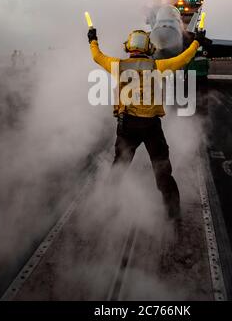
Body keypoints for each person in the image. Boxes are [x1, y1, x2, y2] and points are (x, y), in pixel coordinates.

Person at [88, 27, 208, 220]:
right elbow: (184, 58)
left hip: (127, 127)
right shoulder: (157, 66)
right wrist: (197, 42)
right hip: (151, 127)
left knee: (118, 168)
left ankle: (107, 209)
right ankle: (173, 216)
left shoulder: (118, 65)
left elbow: (97, 56)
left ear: (129, 46)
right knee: (163, 174)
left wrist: (93, 39)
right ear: (148, 47)